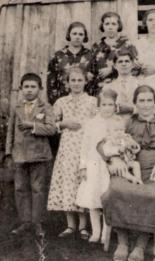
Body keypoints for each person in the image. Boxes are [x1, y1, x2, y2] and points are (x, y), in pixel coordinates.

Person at [101, 85, 155, 261]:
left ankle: (140, 246)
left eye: (149, 100)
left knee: (154, 194)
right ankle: (123, 243)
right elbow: (107, 143)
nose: (145, 104)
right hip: (129, 169)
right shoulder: (128, 122)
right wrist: (115, 160)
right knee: (117, 189)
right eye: (141, 100)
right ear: (135, 103)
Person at [47, 67, 97, 240]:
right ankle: (70, 225)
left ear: (85, 81)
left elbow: (97, 122)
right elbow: (50, 124)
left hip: (85, 146)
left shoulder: (92, 101)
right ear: (67, 83)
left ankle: (83, 226)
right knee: (68, 181)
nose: (76, 83)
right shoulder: (61, 102)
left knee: (82, 182)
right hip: (68, 146)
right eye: (73, 80)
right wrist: (64, 123)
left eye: (79, 80)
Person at [5, 73, 56, 236]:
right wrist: (8, 152)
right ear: (21, 89)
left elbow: (51, 129)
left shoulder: (46, 107)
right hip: (19, 155)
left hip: (39, 155)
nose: (29, 90)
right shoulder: (17, 107)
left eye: (33, 87)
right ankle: (25, 222)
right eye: (26, 87)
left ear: (40, 89)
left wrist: (32, 125)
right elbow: (10, 131)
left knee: (38, 189)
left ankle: (37, 222)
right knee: (20, 188)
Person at [75, 89, 126, 243]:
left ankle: (106, 233)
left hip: (110, 165)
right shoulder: (91, 123)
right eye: (104, 104)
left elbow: (122, 141)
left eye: (111, 104)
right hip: (94, 164)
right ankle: (96, 232)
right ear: (98, 106)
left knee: (107, 199)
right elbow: (85, 146)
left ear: (115, 106)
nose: (107, 108)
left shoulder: (119, 122)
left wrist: (120, 152)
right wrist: (83, 167)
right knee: (93, 200)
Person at [88, 12, 139, 96]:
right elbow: (91, 70)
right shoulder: (96, 46)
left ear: (118, 26)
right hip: (101, 90)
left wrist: (112, 69)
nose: (110, 27)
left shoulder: (127, 44)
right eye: (107, 24)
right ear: (103, 26)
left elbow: (136, 68)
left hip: (123, 89)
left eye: (113, 24)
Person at [47, 21, 92, 105]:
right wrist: (54, 102)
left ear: (84, 36)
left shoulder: (90, 55)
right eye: (74, 34)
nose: (77, 37)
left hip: (86, 102)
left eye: (80, 34)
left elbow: (95, 80)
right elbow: (51, 83)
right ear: (69, 35)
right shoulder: (58, 56)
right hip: (63, 101)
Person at [102, 49, 141, 117]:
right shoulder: (108, 87)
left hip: (137, 123)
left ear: (132, 65)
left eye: (127, 61)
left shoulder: (140, 84)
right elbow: (103, 111)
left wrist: (131, 109)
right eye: (120, 62)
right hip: (115, 124)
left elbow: (151, 109)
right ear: (115, 66)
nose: (124, 64)